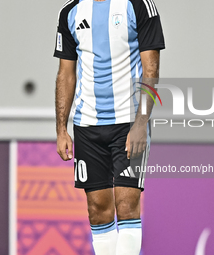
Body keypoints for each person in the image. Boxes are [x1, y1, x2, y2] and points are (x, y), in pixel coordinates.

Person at [54, 0, 164, 254]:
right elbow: (66, 74)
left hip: (128, 123)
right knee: (97, 209)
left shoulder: (138, 5)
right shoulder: (70, 12)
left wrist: (140, 123)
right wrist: (61, 129)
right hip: (87, 125)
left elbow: (151, 69)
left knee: (127, 204)